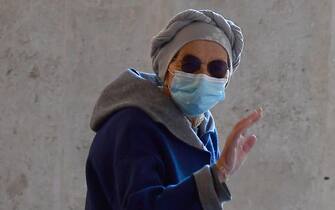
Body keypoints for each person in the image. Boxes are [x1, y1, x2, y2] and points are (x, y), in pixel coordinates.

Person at [85, 9, 263, 210]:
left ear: (227, 78)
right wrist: (218, 174)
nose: (203, 76)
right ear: (166, 69)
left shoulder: (202, 126)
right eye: (190, 65)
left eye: (217, 69)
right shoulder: (132, 125)